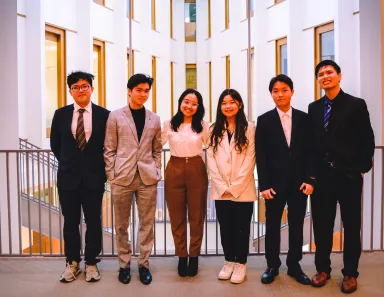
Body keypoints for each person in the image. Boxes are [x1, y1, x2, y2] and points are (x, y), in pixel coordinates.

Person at [308, 60, 375, 294]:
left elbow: (367, 140)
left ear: (339, 76)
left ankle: (350, 273)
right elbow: (312, 145)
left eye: (329, 73)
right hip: (322, 178)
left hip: (348, 176)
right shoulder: (314, 108)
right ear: (318, 80)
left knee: (351, 225)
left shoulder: (356, 105)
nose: (325, 76)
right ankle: (323, 269)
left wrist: (361, 169)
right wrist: (312, 176)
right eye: (320, 74)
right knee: (322, 226)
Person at [50, 71, 110, 283]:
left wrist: (100, 170)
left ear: (92, 89)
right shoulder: (61, 114)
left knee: (94, 222)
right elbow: (56, 145)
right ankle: (72, 263)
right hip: (68, 179)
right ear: (70, 91)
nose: (81, 90)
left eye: (85, 86)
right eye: (76, 87)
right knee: (70, 222)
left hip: (94, 178)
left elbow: (108, 146)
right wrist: (70, 164)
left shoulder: (104, 115)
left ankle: (92, 262)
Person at [256, 74, 315, 286]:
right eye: (275, 91)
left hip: (299, 183)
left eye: (284, 90)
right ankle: (272, 265)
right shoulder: (263, 120)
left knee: (296, 225)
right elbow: (260, 156)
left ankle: (294, 265)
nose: (280, 94)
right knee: (272, 225)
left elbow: (311, 152)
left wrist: (310, 179)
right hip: (273, 184)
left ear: (292, 91)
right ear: (271, 94)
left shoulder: (304, 118)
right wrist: (263, 185)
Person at [104, 74, 162, 285]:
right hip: (122, 177)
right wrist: (111, 175)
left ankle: (144, 264)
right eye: (139, 90)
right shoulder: (116, 116)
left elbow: (157, 149)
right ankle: (124, 264)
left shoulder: (154, 118)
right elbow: (109, 148)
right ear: (129, 91)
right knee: (121, 225)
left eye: (146, 90)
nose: (143, 94)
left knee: (147, 224)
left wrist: (157, 170)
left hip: (147, 178)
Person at [207, 89, 256, 284]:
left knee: (242, 228)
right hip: (220, 190)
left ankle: (240, 264)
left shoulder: (250, 128)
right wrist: (221, 185)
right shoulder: (213, 129)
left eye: (232, 102)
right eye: (224, 103)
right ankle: (228, 261)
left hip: (243, 189)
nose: (228, 106)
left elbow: (250, 158)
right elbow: (210, 159)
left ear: (240, 104)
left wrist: (235, 186)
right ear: (220, 107)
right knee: (226, 227)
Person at [162, 89, 209, 277]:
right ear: (180, 102)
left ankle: (194, 256)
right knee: (176, 215)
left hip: (197, 167)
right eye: (186, 101)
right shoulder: (169, 124)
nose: (189, 106)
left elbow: (212, 148)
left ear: (198, 107)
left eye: (194, 103)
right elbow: (155, 146)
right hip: (174, 167)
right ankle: (182, 256)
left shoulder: (203, 126)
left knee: (197, 216)